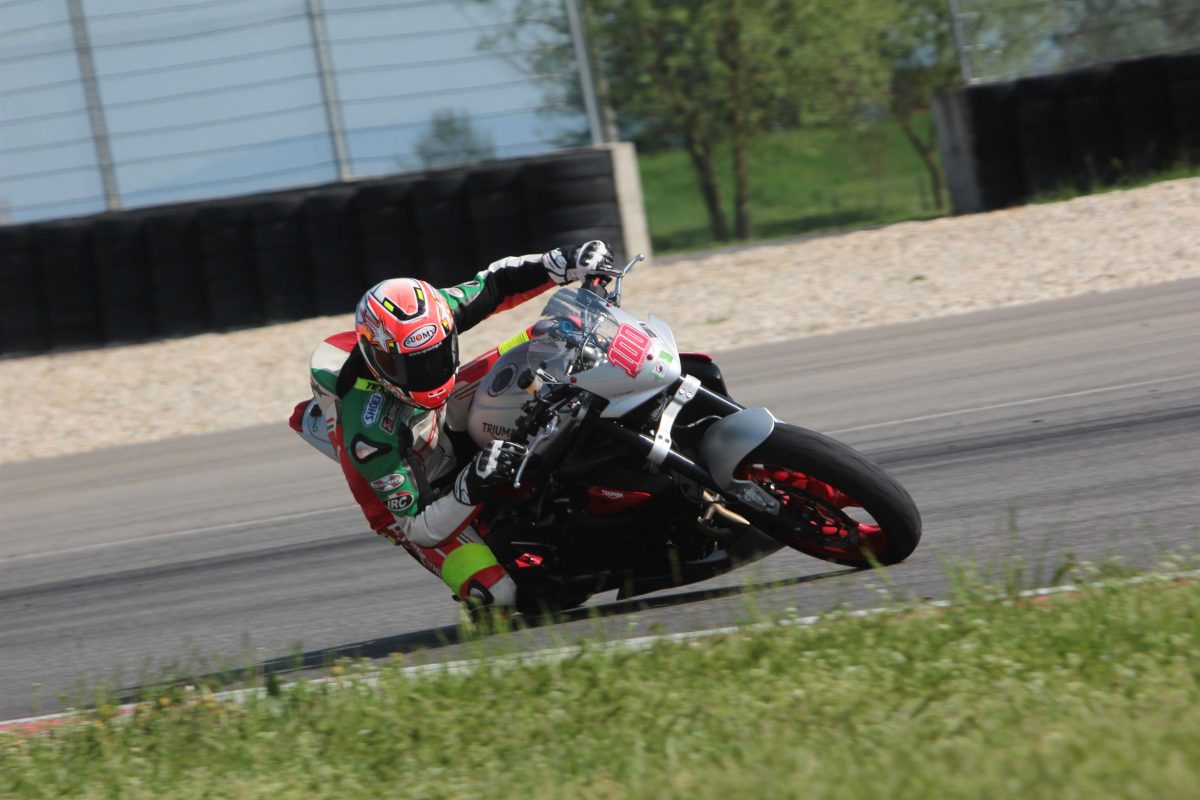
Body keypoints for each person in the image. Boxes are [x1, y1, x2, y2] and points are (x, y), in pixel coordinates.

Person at [289, 241, 619, 613]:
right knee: (504, 597)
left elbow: (495, 283)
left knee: (556, 335)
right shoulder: (368, 434)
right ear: (377, 360)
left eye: (435, 356)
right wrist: (472, 482)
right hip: (415, 499)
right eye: (411, 366)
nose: (428, 371)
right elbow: (419, 526)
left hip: (440, 415)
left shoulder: (433, 317)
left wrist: (565, 261)